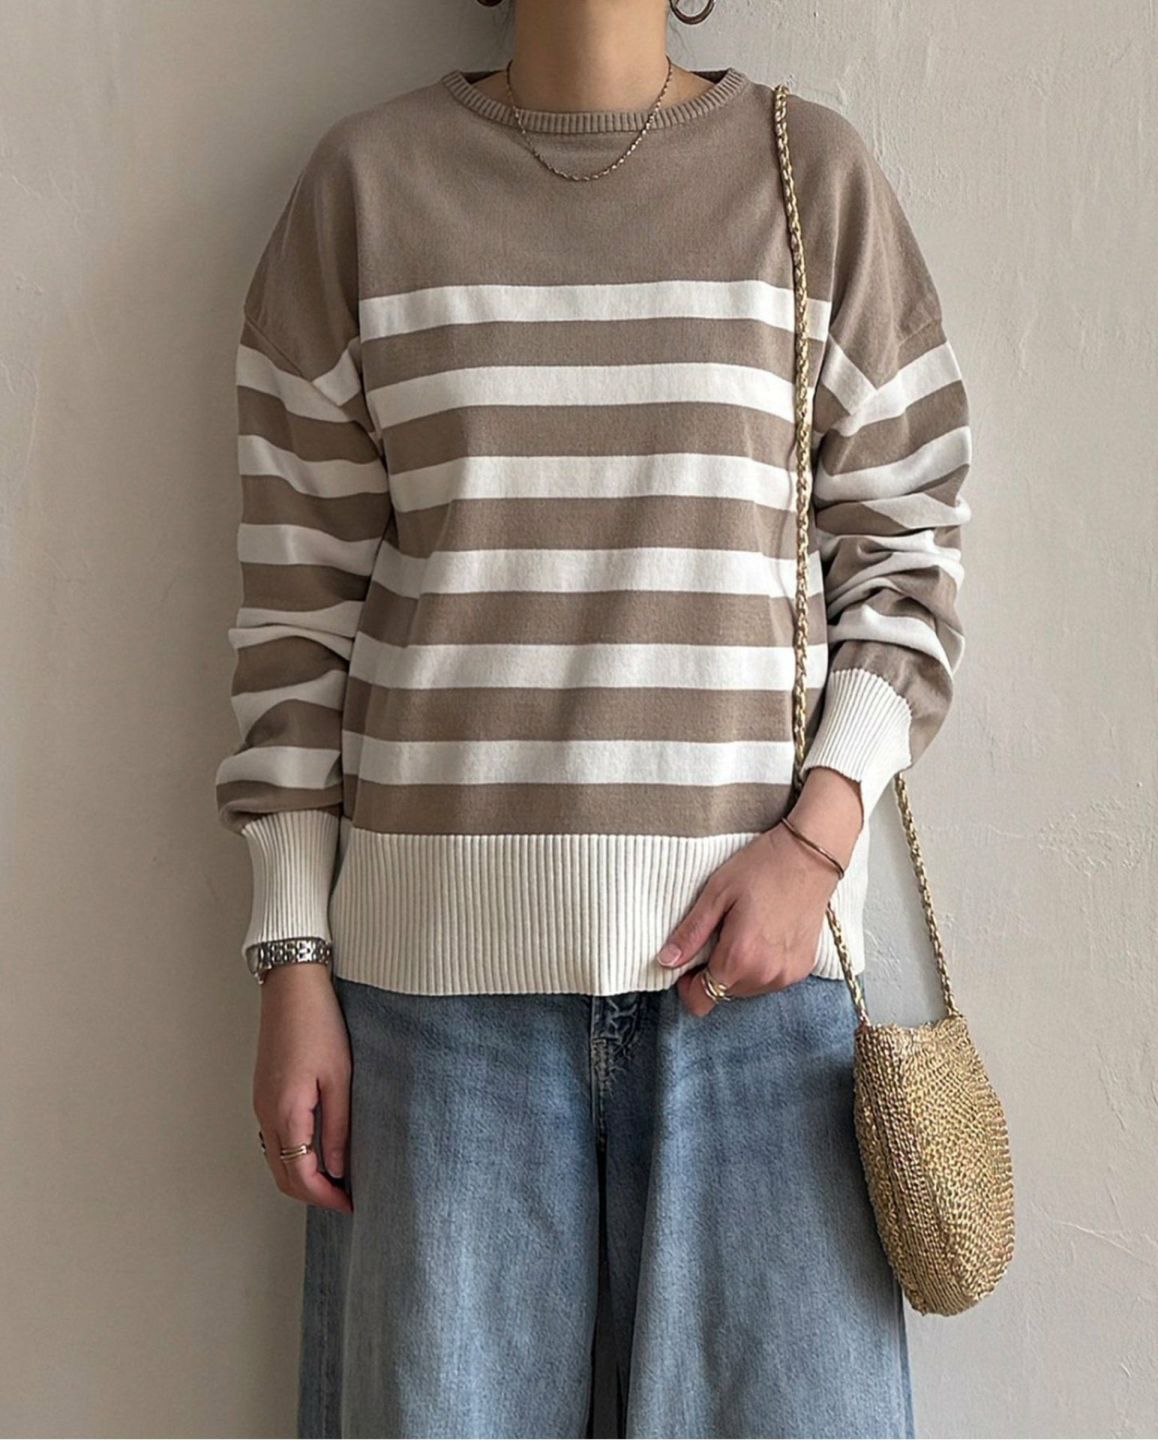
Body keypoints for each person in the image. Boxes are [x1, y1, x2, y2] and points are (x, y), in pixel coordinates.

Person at [214, 1, 973, 1434]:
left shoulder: (811, 179)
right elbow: (297, 617)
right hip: (434, 1012)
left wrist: (815, 846)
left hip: (762, 1000)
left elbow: (909, 556)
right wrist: (291, 956)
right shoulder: (364, 190)